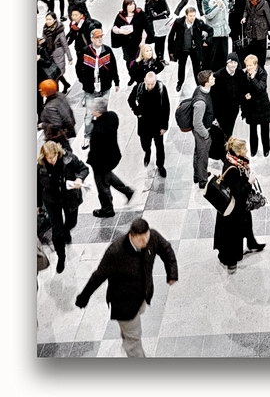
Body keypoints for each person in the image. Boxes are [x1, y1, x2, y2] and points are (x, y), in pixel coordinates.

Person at [75, 217, 178, 357]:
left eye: (146, 238)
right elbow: (98, 276)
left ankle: (127, 337)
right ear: (131, 235)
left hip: (142, 295)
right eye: (141, 240)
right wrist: (84, 297)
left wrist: (172, 273)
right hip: (124, 304)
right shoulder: (115, 252)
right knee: (134, 340)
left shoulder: (152, 237)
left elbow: (166, 250)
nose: (145, 243)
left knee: (133, 326)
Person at [212, 137, 266, 274]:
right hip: (234, 210)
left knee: (247, 223)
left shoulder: (232, 160)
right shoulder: (234, 169)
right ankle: (231, 263)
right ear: (237, 151)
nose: (246, 150)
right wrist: (250, 182)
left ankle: (251, 242)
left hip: (236, 207)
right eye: (244, 149)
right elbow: (238, 193)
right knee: (233, 236)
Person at [36, 140, 89, 273]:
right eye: (49, 157)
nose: (52, 160)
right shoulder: (40, 167)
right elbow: (37, 186)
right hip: (51, 201)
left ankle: (66, 231)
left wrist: (79, 179)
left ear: (57, 153)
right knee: (57, 232)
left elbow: (84, 168)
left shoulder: (69, 159)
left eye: (54, 156)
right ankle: (61, 257)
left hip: (69, 198)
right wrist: (37, 204)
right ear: (44, 156)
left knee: (72, 222)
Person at [87, 98, 135, 217]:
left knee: (102, 185)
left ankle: (107, 209)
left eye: (92, 109)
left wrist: (91, 160)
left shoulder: (98, 130)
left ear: (98, 111)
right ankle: (127, 191)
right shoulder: (112, 116)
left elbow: (95, 150)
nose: (91, 111)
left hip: (101, 161)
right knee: (108, 176)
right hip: (112, 155)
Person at [75, 27, 120, 146]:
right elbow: (78, 67)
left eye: (101, 37)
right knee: (89, 114)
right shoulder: (85, 51)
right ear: (92, 39)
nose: (100, 39)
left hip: (104, 87)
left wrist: (116, 82)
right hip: (90, 88)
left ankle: (102, 134)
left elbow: (113, 67)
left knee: (102, 113)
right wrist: (83, 81)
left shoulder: (107, 51)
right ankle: (87, 136)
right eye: (97, 37)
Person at [128, 71, 170, 176]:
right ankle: (148, 152)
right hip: (144, 124)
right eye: (148, 83)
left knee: (159, 146)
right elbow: (130, 100)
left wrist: (164, 126)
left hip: (157, 124)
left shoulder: (161, 89)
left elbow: (166, 108)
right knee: (145, 144)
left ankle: (160, 165)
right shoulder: (139, 88)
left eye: (152, 83)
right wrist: (137, 112)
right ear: (145, 81)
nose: (150, 86)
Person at [168, 6, 213, 92]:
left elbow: (210, 30)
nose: (192, 18)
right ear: (186, 15)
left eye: (194, 15)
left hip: (194, 50)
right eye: (190, 16)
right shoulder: (178, 22)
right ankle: (180, 83)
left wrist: (207, 41)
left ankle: (199, 84)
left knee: (197, 68)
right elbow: (171, 36)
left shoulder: (198, 23)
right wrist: (171, 51)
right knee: (181, 67)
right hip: (182, 49)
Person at [239, 54, 270, 157]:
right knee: (252, 130)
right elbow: (242, 88)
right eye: (247, 65)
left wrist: (253, 78)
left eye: (250, 65)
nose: (248, 68)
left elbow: (260, 88)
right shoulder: (245, 73)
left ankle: (266, 149)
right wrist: (245, 95)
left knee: (265, 130)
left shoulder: (262, 73)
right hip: (251, 106)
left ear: (256, 65)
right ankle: (253, 150)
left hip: (262, 106)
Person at [111, 0, 152, 83]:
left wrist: (143, 40)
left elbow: (145, 28)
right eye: (130, 5)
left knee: (139, 61)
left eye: (133, 4)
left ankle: (139, 79)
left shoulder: (140, 14)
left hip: (138, 42)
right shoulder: (120, 16)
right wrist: (120, 31)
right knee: (129, 61)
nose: (132, 6)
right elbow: (114, 27)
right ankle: (132, 76)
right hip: (126, 43)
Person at [191, 69, 216, 187]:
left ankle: (198, 175)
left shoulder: (200, 89)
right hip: (202, 131)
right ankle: (203, 180)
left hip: (202, 129)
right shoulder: (201, 102)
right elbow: (197, 123)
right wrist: (206, 134)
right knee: (202, 156)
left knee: (198, 153)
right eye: (212, 78)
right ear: (206, 82)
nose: (214, 79)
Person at [241, 0, 270, 68]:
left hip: (261, 28)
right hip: (251, 28)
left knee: (261, 48)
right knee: (252, 47)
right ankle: (253, 64)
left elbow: (268, 16)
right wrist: (244, 17)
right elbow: (246, 10)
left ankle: (261, 65)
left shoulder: (264, 3)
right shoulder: (248, 1)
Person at [211, 56, 241, 143]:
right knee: (222, 130)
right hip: (221, 110)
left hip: (234, 109)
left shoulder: (239, 74)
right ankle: (223, 148)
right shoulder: (218, 75)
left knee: (230, 129)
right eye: (231, 62)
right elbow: (214, 97)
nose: (233, 65)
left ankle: (227, 145)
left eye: (235, 63)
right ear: (227, 63)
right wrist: (215, 115)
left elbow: (243, 88)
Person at [202, 0, 230, 71]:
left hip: (224, 31)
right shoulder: (206, 1)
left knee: (224, 54)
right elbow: (208, 15)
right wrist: (218, 7)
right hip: (213, 33)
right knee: (213, 56)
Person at [39, 79, 76, 146]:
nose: (40, 91)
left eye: (41, 89)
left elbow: (56, 124)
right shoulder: (60, 95)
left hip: (58, 136)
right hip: (68, 127)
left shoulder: (50, 107)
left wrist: (43, 125)